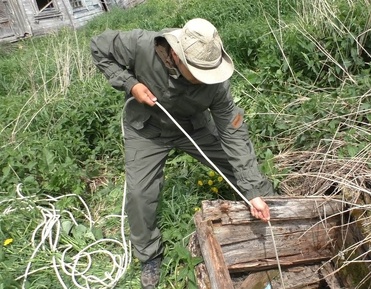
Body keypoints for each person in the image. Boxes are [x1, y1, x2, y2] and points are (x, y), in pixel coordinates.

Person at [90, 18, 275, 289]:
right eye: (198, 72)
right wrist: (130, 84)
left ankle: (275, 211)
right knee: (140, 195)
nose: (204, 80)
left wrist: (253, 191)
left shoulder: (217, 85)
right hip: (147, 129)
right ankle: (149, 255)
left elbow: (233, 134)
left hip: (193, 127)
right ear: (176, 55)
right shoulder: (141, 46)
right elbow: (99, 47)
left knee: (239, 171)